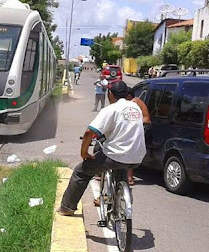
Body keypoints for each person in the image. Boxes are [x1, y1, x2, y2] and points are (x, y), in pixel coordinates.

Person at [57, 81, 146, 216]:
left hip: (116, 155)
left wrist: (84, 152)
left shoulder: (110, 109)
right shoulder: (135, 108)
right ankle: (120, 196)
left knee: (81, 172)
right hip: (137, 157)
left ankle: (66, 208)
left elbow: (89, 133)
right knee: (121, 167)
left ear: (110, 94)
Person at [125, 86, 152, 186]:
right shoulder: (132, 102)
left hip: (139, 129)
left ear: (128, 95)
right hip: (136, 128)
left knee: (129, 152)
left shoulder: (135, 102)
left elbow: (145, 120)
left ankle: (129, 177)